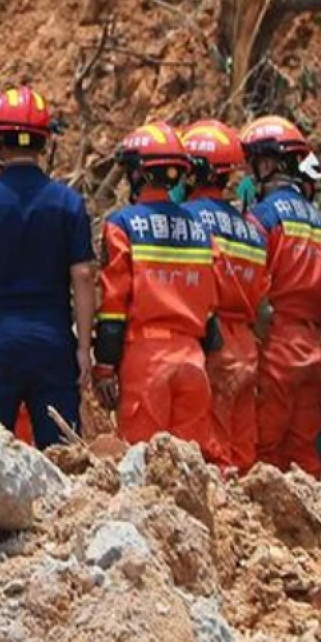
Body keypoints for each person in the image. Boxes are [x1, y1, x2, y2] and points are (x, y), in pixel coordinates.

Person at [0, 87, 95, 449]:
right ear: (45, 142)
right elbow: (84, 276)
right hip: (53, 342)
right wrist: (84, 347)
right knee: (61, 455)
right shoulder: (68, 203)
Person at [94, 122, 222, 458]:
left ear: (138, 173)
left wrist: (105, 365)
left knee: (143, 466)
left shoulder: (122, 225)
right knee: (187, 468)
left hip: (147, 360)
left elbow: (113, 304)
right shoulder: (201, 230)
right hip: (193, 358)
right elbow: (211, 308)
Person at [181, 119, 268, 470]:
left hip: (211, 343)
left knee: (214, 454)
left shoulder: (187, 219)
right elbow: (263, 297)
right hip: (246, 347)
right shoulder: (251, 230)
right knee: (244, 449)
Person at [240, 116, 321, 477]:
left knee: (265, 449)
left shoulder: (263, 217)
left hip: (277, 340)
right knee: (305, 453)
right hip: (314, 343)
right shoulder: (317, 219)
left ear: (270, 162)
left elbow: (252, 284)